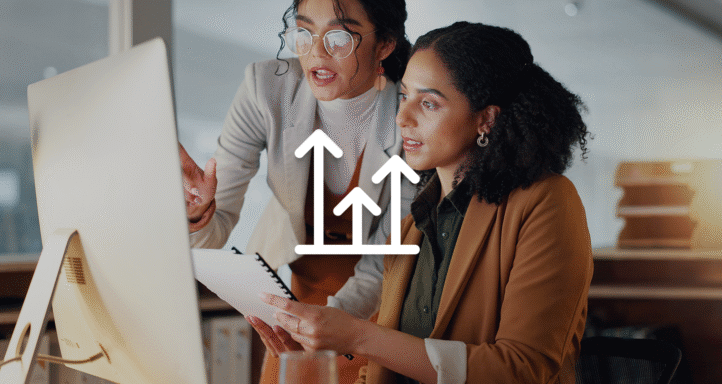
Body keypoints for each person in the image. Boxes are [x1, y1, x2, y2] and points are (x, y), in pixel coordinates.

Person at [250, 21, 594, 383]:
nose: (403, 118)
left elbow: (520, 369)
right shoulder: (411, 225)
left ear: (486, 119)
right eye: (404, 97)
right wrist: (317, 351)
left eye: (428, 103)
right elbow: (381, 367)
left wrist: (357, 335)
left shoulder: (547, 202)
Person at [179, 0, 412, 382]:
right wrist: (197, 211)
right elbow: (213, 232)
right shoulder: (265, 88)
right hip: (298, 299)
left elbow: (384, 261)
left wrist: (327, 328)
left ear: (384, 44)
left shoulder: (411, 115)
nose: (316, 52)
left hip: (385, 306)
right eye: (303, 32)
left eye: (339, 36)